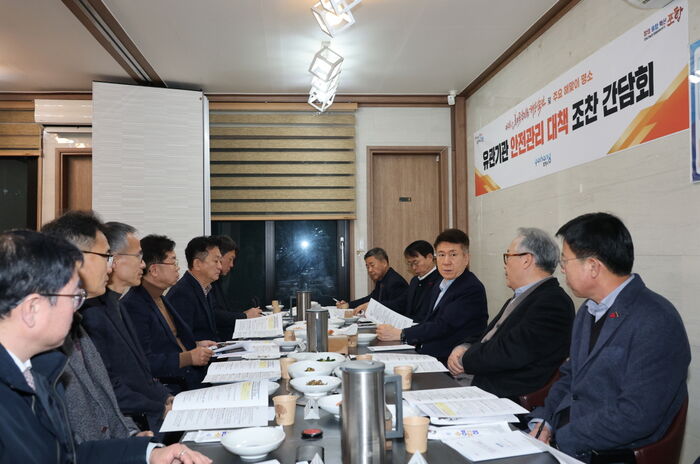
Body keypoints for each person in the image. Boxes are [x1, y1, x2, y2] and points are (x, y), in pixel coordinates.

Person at [0, 229, 210, 463]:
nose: (76, 310)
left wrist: (148, 452)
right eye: (73, 297)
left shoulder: (38, 374)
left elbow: (71, 454)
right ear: (32, 309)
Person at [529, 213, 690, 462]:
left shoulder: (656, 320)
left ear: (593, 266)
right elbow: (570, 377)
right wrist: (545, 421)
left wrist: (563, 437)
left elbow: (636, 415)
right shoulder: (588, 310)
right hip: (567, 440)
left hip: (608, 453)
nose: (562, 269)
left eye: (565, 261)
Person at [42, 211, 142, 442]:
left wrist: (134, 438)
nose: (110, 268)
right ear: (74, 258)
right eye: (106, 256)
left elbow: (106, 405)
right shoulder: (46, 336)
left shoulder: (77, 323)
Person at [446, 228, 574, 399]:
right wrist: (465, 346)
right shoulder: (523, 296)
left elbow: (510, 351)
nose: (505, 265)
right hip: (479, 381)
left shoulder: (553, 302)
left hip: (503, 395)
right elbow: (489, 336)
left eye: (508, 256)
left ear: (526, 260)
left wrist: (465, 358)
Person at [81, 222, 173, 432]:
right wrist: (160, 407)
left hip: (150, 411)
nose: (143, 265)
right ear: (114, 259)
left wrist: (167, 397)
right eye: (139, 256)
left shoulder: (117, 304)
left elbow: (142, 373)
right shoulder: (91, 314)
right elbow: (109, 386)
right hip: (131, 423)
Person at [376, 229, 488, 363]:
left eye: (453, 254)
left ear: (466, 258)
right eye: (441, 255)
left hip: (449, 360)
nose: (446, 261)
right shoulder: (440, 284)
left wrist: (402, 334)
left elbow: (443, 326)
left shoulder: (470, 288)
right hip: (427, 351)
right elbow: (429, 321)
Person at [122, 235, 213, 393]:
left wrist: (197, 345)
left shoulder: (160, 297)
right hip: (171, 388)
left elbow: (173, 340)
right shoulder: (133, 306)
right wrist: (189, 357)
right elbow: (144, 362)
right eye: (173, 262)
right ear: (154, 270)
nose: (177, 268)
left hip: (191, 377)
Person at [167, 236, 223, 342]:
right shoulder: (181, 293)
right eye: (216, 261)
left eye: (220, 261)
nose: (220, 266)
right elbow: (183, 340)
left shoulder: (205, 288)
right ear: (197, 264)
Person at [210, 235, 262, 341]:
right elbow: (215, 315)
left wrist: (245, 313)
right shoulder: (201, 285)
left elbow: (225, 310)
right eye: (230, 259)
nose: (232, 265)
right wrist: (244, 315)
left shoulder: (216, 281)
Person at [336, 247, 408, 314]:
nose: (369, 270)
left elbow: (396, 308)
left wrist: (371, 306)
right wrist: (348, 304)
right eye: (367, 267)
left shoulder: (396, 282)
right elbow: (370, 299)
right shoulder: (382, 279)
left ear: (384, 263)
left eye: (372, 265)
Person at [400, 240, 441, 322]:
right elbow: (402, 302)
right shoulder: (414, 281)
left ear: (429, 258)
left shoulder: (441, 280)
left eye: (416, 262)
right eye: (410, 264)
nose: (413, 268)